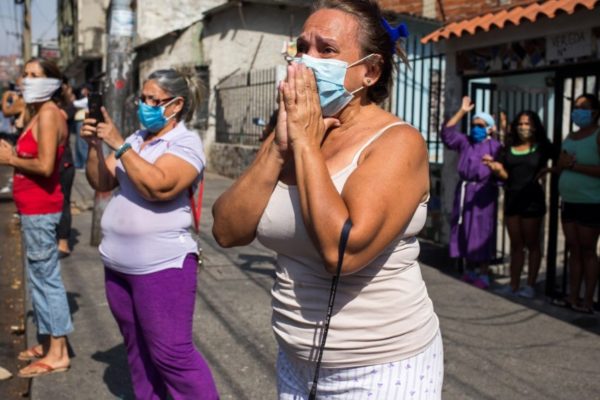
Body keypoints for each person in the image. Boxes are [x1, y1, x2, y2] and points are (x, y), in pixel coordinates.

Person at [213, 1, 443, 398]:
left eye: (326, 50)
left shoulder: (397, 143)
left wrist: (304, 145)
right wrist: (278, 149)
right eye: (302, 47)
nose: (306, 61)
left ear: (369, 71)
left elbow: (344, 253)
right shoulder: (291, 128)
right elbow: (227, 230)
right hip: (296, 362)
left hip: (379, 368)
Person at [80, 69, 218, 399]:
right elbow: (102, 182)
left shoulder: (186, 142)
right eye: (143, 98)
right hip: (117, 266)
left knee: (172, 355)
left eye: (154, 100)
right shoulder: (138, 137)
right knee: (138, 352)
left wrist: (118, 143)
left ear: (176, 105)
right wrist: (95, 147)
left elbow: (160, 186)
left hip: (161, 266)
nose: (146, 105)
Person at [0, 57, 72, 378]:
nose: (27, 80)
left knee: (47, 281)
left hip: (42, 210)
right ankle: (47, 343)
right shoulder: (38, 112)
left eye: (34, 75)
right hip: (33, 209)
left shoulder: (48, 115)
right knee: (38, 279)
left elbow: (45, 167)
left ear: (52, 82)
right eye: (25, 74)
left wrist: (11, 157)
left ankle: (58, 352)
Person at [483, 111, 558, 298]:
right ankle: (513, 283)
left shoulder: (542, 147)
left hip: (533, 201)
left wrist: (549, 169)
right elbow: (506, 174)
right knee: (516, 245)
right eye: (521, 123)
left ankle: (530, 284)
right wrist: (496, 168)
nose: (524, 127)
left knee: (532, 243)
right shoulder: (508, 146)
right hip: (512, 199)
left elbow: (561, 160)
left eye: (528, 123)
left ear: (535, 126)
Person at [543, 94, 600, 314]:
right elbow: (561, 165)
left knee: (588, 250)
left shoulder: (597, 135)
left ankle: (588, 301)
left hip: (591, 202)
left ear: (595, 112)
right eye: (575, 107)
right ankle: (572, 296)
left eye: (583, 107)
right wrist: (554, 168)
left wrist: (574, 165)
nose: (578, 111)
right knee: (574, 250)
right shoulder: (571, 136)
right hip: (569, 201)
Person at [441, 96, 502, 289]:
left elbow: (502, 170)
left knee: (482, 230)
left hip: (483, 194)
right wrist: (462, 111)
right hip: (464, 191)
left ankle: (484, 271)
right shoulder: (465, 142)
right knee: (464, 228)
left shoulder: (495, 146)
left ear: (490, 128)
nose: (476, 128)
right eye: (474, 124)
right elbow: (447, 133)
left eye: (481, 125)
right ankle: (469, 269)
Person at [57, 80, 77, 257]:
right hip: (46, 161)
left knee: (63, 202)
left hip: (64, 163)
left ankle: (63, 242)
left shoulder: (68, 107)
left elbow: (58, 117)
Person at [72, 84, 90, 168]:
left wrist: (71, 99)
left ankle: (85, 164)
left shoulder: (87, 99)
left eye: (84, 89)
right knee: (78, 144)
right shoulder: (84, 99)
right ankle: (79, 163)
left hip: (82, 121)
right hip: (79, 121)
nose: (83, 91)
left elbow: (75, 103)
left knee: (82, 144)